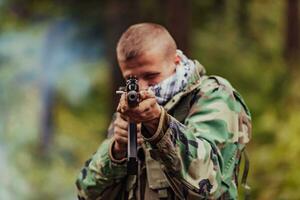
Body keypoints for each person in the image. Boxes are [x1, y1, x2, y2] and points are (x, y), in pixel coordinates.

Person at [75, 23, 252, 200]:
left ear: (175, 60)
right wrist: (116, 150)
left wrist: (159, 125)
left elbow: (209, 185)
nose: (142, 88)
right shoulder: (129, 111)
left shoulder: (213, 96)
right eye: (132, 80)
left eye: (151, 76)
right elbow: (86, 193)